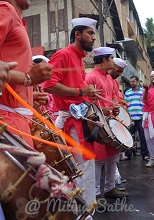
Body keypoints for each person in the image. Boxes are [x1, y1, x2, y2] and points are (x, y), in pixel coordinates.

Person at [42, 17, 100, 219]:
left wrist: (86, 94)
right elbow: (47, 85)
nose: (93, 38)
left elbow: (78, 90)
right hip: (70, 122)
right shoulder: (63, 54)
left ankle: (85, 211)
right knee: (82, 169)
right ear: (78, 34)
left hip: (80, 120)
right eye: (90, 33)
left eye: (94, 34)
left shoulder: (79, 58)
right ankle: (83, 214)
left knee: (86, 166)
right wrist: (79, 91)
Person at [0, 0, 52, 147]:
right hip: (8, 123)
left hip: (16, 121)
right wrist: (27, 78)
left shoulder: (15, 18)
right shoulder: (5, 9)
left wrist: (28, 96)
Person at [85, 47, 129, 206]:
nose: (113, 62)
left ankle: (110, 188)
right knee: (99, 160)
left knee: (112, 157)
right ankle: (96, 193)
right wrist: (99, 110)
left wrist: (116, 108)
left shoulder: (110, 79)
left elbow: (113, 99)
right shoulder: (90, 77)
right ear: (104, 60)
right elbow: (84, 103)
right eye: (111, 58)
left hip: (111, 122)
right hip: (97, 124)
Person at [108, 57, 128, 191]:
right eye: (119, 71)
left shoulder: (115, 82)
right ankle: (112, 181)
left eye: (121, 72)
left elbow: (116, 97)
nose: (120, 74)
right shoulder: (101, 77)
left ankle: (114, 179)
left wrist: (122, 104)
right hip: (103, 118)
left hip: (113, 118)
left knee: (114, 153)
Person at [124, 76, 149, 160]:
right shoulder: (127, 92)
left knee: (143, 137)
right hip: (131, 117)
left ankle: (144, 154)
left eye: (133, 81)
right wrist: (127, 116)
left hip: (141, 117)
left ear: (138, 82)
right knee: (129, 136)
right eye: (131, 81)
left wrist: (145, 114)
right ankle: (128, 154)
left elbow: (147, 103)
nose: (132, 83)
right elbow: (125, 105)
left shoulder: (143, 91)